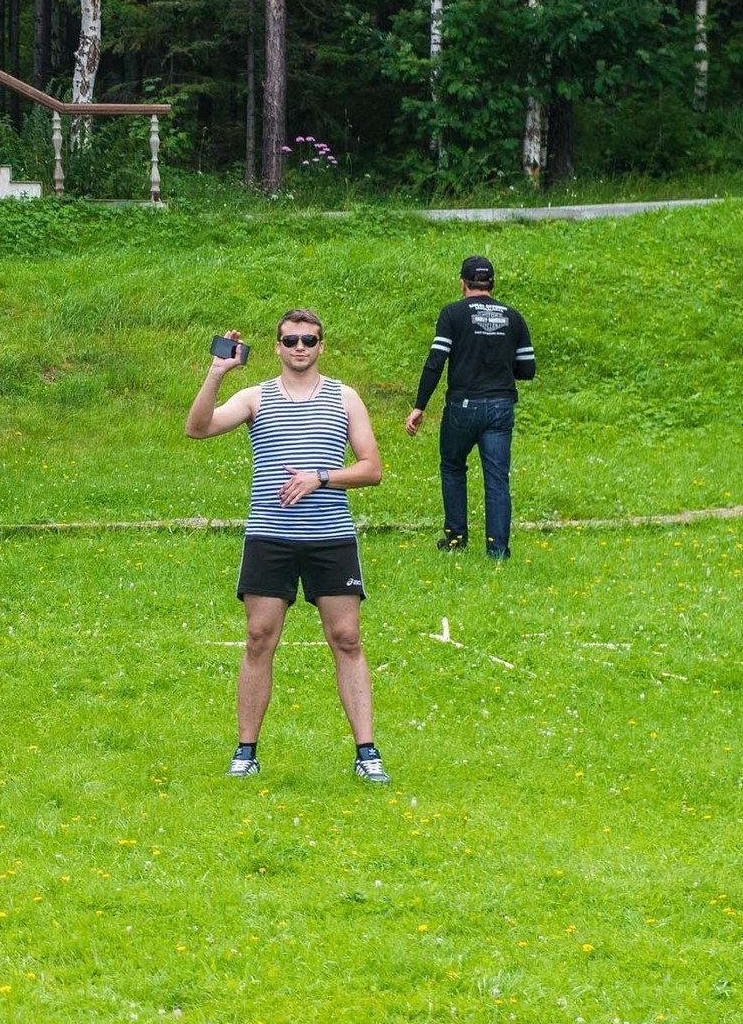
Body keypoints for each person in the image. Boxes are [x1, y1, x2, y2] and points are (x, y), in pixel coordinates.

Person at [185, 310, 388, 784]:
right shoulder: (256, 397)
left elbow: (371, 468)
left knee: (347, 639)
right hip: (269, 537)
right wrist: (217, 374)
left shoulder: (345, 397)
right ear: (277, 346)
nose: (300, 347)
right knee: (259, 639)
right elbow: (198, 427)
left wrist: (321, 478)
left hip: (330, 537)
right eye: (291, 340)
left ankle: (367, 752)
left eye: (309, 340)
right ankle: (245, 751)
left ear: (321, 346)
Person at [404, 254, 537, 561]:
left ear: (462, 284)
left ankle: (455, 538)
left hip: (462, 406)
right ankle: (498, 550)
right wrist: (500, 366)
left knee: (452, 468)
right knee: (497, 478)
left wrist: (419, 406)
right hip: (501, 406)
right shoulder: (513, 317)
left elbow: (436, 361)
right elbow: (528, 369)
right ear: (492, 283)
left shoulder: (452, 314)